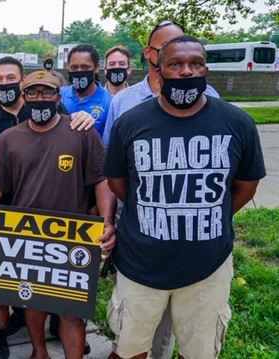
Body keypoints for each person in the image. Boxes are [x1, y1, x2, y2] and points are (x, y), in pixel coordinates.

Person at [103, 35, 265, 359]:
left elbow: (246, 186)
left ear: (206, 69)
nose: (186, 71)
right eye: (175, 64)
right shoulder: (130, 123)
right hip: (140, 264)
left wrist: (209, 213)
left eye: (196, 63)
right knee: (131, 349)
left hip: (208, 265)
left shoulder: (237, 123)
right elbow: (119, 183)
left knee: (200, 352)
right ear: (159, 71)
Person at [0, 70, 116, 359]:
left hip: (71, 238)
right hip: (26, 238)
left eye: (47, 92)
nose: (40, 98)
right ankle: (39, 352)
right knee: (32, 302)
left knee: (71, 312)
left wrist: (107, 220)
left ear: (59, 97)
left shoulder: (81, 132)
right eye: (32, 93)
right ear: (24, 97)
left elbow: (100, 180)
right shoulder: (9, 139)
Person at [101, 20, 220, 359]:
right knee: (134, 328)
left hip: (197, 243)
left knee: (179, 333)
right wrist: (135, 213)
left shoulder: (214, 101)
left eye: (192, 58)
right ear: (152, 54)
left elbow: (239, 185)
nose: (183, 66)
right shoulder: (124, 103)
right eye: (169, 51)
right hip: (138, 236)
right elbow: (114, 173)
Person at [102, 20, 219, 148]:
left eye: (181, 45)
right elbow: (110, 151)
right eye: (166, 46)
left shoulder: (208, 94)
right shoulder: (122, 100)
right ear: (147, 52)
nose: (175, 52)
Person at [60, 44, 113, 139]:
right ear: (68, 67)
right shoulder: (59, 95)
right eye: (74, 68)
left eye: (85, 67)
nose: (79, 71)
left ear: (96, 68)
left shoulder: (110, 102)